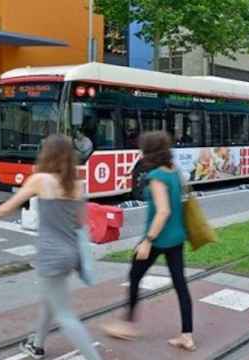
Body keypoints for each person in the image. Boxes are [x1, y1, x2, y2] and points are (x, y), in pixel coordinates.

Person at [0, 135, 102, 360]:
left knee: (64, 315)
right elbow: (81, 224)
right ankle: (37, 345)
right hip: (71, 253)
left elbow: (8, 207)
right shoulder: (77, 184)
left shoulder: (40, 180)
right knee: (50, 299)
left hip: (51, 254)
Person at [102, 130, 195, 351]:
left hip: (158, 239)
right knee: (180, 284)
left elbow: (162, 212)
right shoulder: (172, 171)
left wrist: (147, 241)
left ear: (149, 152)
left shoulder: (156, 178)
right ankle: (187, 335)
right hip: (176, 238)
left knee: (135, 276)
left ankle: (128, 325)